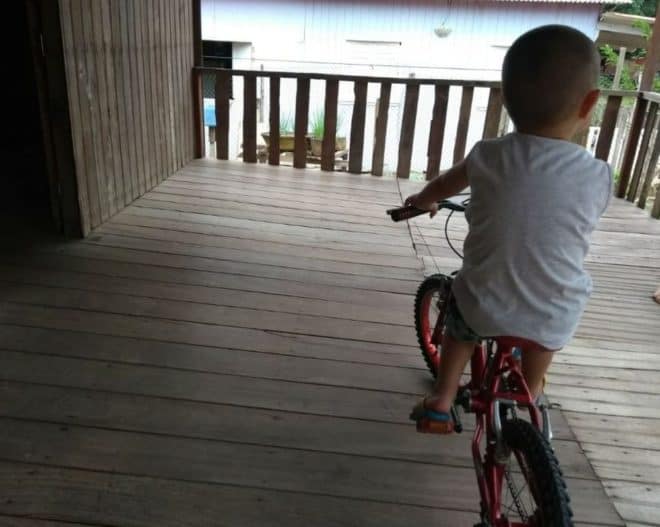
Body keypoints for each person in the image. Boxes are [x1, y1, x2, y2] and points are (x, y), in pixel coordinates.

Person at [406, 25, 612, 433]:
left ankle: (442, 400)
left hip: (484, 302)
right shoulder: (597, 174)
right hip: (554, 310)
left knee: (460, 319)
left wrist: (423, 199)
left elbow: (445, 184)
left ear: (506, 98)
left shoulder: (487, 155)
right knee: (546, 325)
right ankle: (530, 394)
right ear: (590, 102)